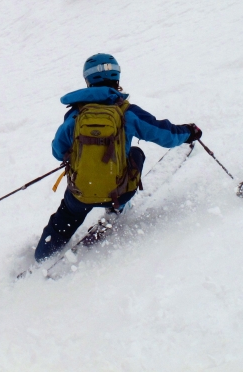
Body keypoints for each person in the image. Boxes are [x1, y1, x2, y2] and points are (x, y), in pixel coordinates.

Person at [34, 53, 202, 262]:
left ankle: (41, 258)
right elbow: (164, 135)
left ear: (88, 80)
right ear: (117, 78)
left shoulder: (76, 115)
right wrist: (188, 132)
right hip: (120, 191)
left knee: (65, 219)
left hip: (80, 193)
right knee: (136, 153)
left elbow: (58, 151)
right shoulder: (127, 112)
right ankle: (118, 207)